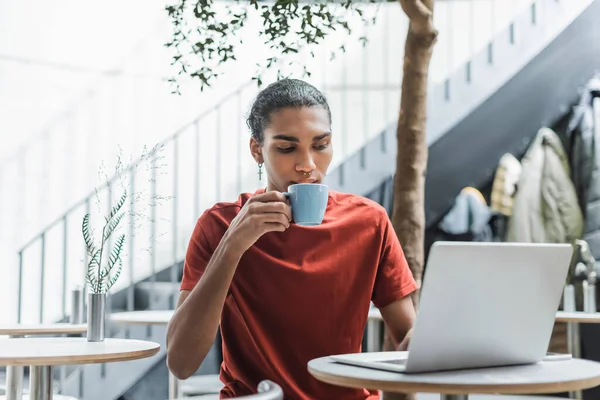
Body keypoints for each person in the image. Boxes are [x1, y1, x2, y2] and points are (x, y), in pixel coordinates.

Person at [166, 78, 417, 399]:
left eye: (321, 144)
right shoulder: (220, 225)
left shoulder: (369, 221)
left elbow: (406, 337)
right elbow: (181, 363)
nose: (308, 165)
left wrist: (428, 339)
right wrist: (233, 245)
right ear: (258, 150)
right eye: (286, 148)